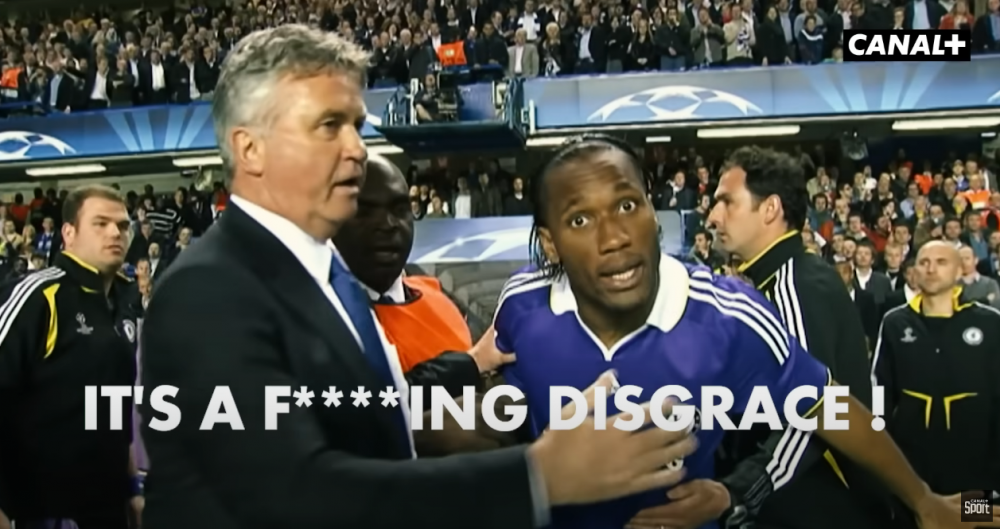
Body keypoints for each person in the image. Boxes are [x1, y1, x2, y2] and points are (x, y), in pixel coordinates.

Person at [139, 25, 695, 529]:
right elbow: (292, 495)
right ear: (250, 149)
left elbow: (360, 434)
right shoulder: (208, 292)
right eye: (329, 126)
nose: (357, 149)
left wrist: (510, 428)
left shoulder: (326, 275)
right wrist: (538, 476)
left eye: (356, 126)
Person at [494, 134, 962, 529]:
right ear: (551, 244)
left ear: (652, 214)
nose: (613, 236)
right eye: (580, 219)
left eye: (627, 205)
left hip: (853, 502)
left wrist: (923, 501)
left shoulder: (738, 311)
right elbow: (502, 416)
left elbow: (827, 408)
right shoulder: (521, 304)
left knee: (982, 506)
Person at [662, 146, 892, 529]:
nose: (712, 217)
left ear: (770, 209)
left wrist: (736, 493)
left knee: (981, 508)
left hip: (820, 507)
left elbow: (812, 415)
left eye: (726, 202)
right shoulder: (777, 280)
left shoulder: (793, 286)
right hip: (802, 505)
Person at [333, 153, 518, 454]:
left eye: (400, 209)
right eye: (364, 211)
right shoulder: (313, 315)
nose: (387, 224)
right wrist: (472, 363)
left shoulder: (439, 297)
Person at [0, 185, 144, 529]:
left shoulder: (123, 304)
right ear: (68, 233)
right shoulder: (40, 296)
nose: (115, 233)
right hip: (41, 512)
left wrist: (132, 490)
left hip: (108, 510)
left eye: (123, 226)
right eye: (101, 223)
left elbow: (113, 411)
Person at [873, 241, 1000, 495]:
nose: (931, 269)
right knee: (917, 516)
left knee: (978, 516)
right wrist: (879, 446)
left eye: (941, 262)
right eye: (924, 262)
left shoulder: (990, 323)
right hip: (912, 475)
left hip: (978, 474)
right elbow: (879, 388)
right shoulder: (894, 322)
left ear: (959, 271)